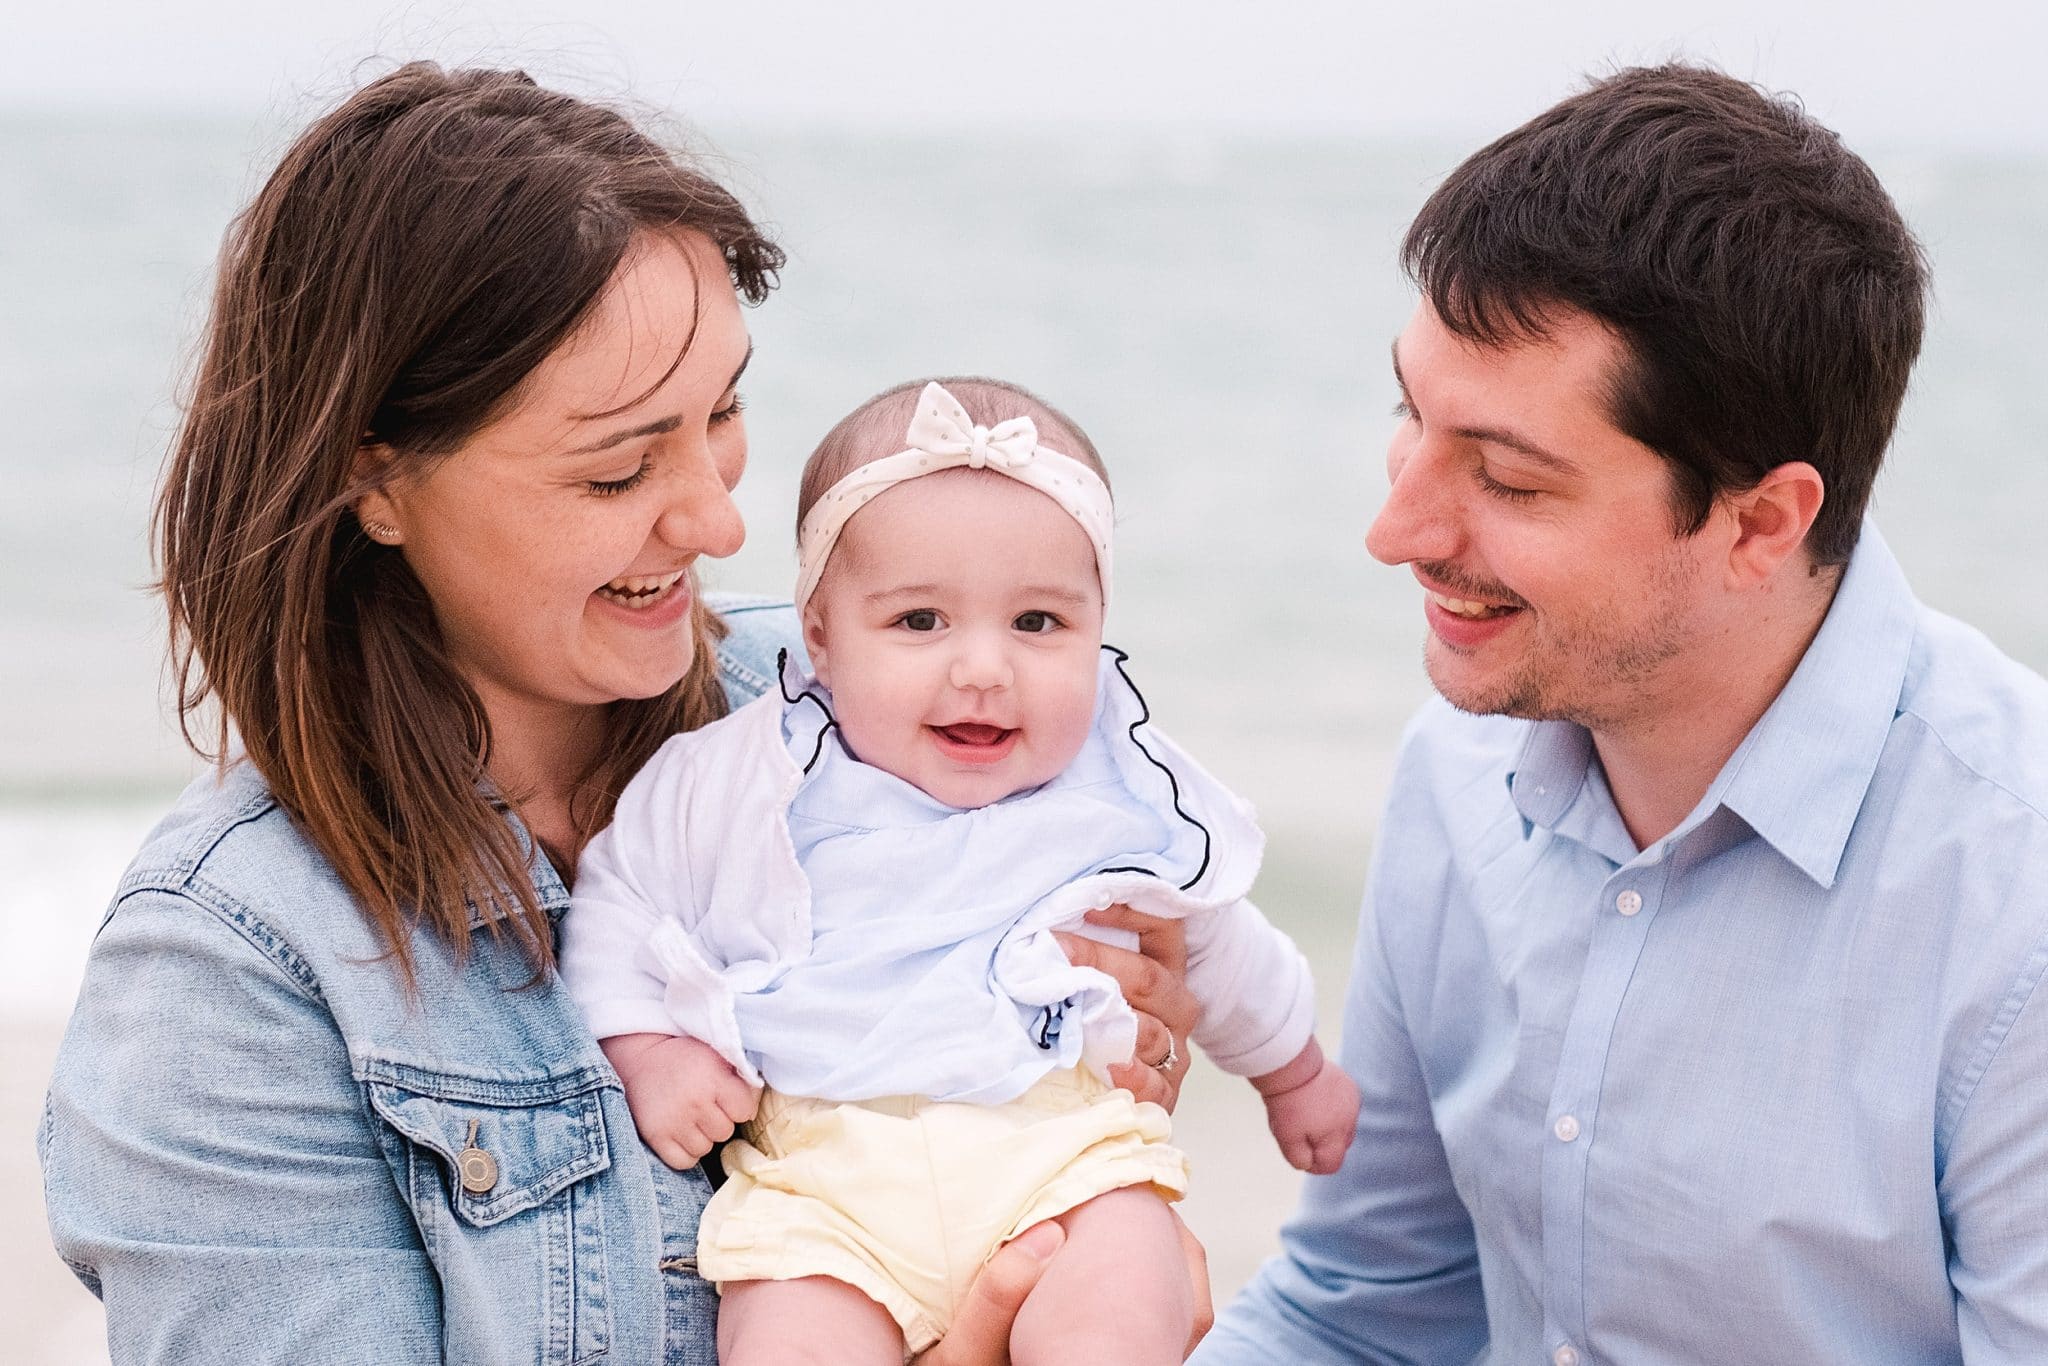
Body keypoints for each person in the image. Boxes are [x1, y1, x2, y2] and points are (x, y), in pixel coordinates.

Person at [36, 62, 1207, 1364]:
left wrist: (1112, 1028)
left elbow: (1118, 1006)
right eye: (617, 468)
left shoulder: (868, 704)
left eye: (724, 411)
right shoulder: (235, 978)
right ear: (374, 478)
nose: (718, 517)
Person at [1199, 63, 2048, 1365]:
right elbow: (1367, 1309)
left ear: (1761, 522)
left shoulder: (2013, 895)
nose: (1394, 530)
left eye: (1507, 478)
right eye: (1409, 417)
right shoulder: (1460, 765)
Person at [558, 377, 1361, 1363]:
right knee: (787, 1338)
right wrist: (652, 1052)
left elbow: (1218, 941)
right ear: (818, 635)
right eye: (919, 622)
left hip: (1060, 1163)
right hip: (820, 1190)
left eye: (1036, 624)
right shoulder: (743, 779)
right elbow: (619, 911)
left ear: (1098, 624)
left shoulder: (1106, 798)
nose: (983, 668)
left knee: (1118, 1296)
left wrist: (1295, 1072)